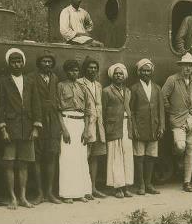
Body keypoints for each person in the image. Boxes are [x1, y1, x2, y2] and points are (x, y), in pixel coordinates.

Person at [0, 48, 43, 209]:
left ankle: (23, 197)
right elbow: (0, 106)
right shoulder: (3, 81)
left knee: (24, 164)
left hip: (28, 129)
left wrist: (36, 126)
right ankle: (12, 198)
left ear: (23, 63)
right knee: (9, 163)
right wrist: (3, 129)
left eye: (19, 61)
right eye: (13, 62)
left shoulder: (30, 81)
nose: (16, 65)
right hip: (10, 128)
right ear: (9, 64)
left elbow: (36, 104)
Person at [161, 53, 192, 192]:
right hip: (177, 119)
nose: (188, 68)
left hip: (191, 118)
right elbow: (163, 96)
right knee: (180, 146)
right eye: (185, 65)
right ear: (181, 66)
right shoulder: (172, 80)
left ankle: (187, 182)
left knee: (190, 151)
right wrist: (171, 111)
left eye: (190, 66)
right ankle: (177, 155)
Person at [28, 51, 63, 204]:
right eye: (44, 61)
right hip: (37, 122)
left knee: (51, 156)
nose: (47, 64)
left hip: (53, 122)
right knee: (36, 157)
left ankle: (49, 192)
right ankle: (39, 193)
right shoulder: (31, 78)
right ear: (39, 63)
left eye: (50, 61)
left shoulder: (55, 78)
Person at [57, 59, 92, 203]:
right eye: (71, 70)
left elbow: (88, 111)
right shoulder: (60, 86)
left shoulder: (83, 87)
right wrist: (64, 129)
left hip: (80, 124)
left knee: (81, 158)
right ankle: (67, 194)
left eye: (76, 70)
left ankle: (81, 192)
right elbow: (58, 110)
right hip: (67, 122)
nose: (74, 73)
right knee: (66, 158)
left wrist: (86, 130)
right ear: (66, 72)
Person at [129, 59, 165, 195]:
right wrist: (134, 128)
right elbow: (131, 111)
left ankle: (149, 184)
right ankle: (141, 185)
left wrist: (161, 127)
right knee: (139, 157)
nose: (145, 73)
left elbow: (161, 109)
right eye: (143, 70)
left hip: (154, 128)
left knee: (151, 156)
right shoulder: (134, 88)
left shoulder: (157, 88)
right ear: (139, 72)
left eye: (148, 70)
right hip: (140, 127)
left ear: (151, 72)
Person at [78, 57, 107, 199]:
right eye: (90, 67)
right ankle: (83, 188)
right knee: (83, 157)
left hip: (98, 125)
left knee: (95, 157)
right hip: (85, 124)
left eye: (95, 68)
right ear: (85, 69)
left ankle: (93, 187)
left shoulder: (98, 85)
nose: (93, 70)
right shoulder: (79, 83)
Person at [103, 63, 134, 198]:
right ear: (112, 76)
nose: (118, 76)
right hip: (113, 126)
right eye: (116, 73)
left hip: (126, 126)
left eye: (120, 73)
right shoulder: (107, 91)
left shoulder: (128, 91)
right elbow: (103, 111)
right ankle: (117, 188)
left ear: (124, 76)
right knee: (116, 157)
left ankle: (126, 186)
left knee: (127, 156)